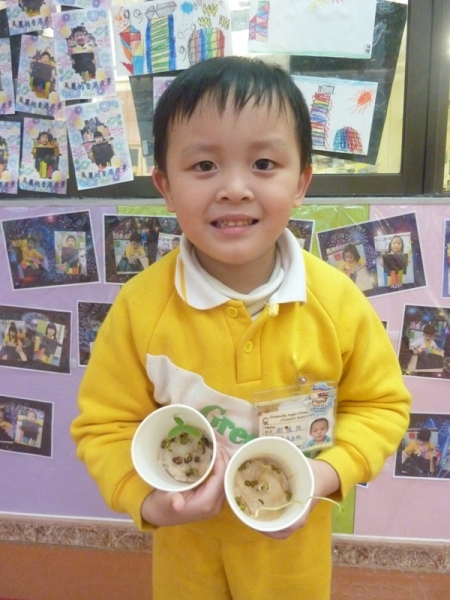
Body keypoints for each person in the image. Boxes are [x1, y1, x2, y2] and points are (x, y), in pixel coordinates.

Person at [71, 56, 411, 599]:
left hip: (290, 562)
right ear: (165, 185)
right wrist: (150, 502)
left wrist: (320, 478)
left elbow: (380, 407)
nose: (234, 188)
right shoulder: (141, 307)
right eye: (204, 165)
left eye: (264, 164)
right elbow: (105, 426)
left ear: (301, 182)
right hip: (188, 560)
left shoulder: (336, 302)